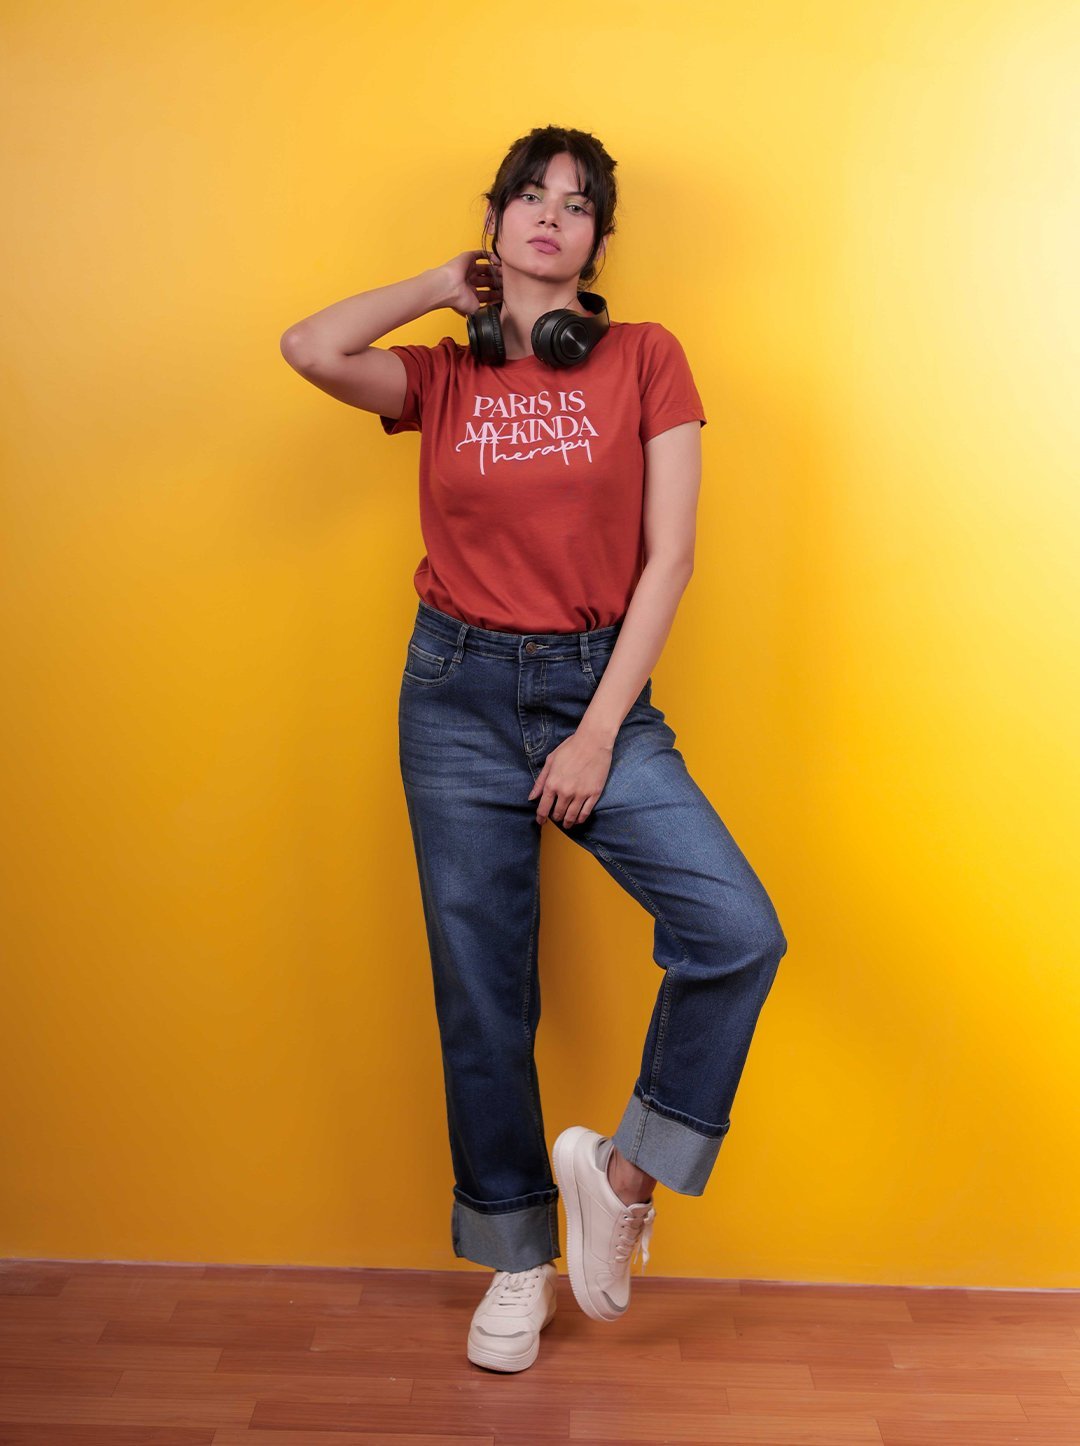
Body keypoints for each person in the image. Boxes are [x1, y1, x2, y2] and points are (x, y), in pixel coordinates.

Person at [280, 124, 788, 1374]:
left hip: (592, 686)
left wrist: (599, 733)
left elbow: (670, 558)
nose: (553, 215)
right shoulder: (441, 378)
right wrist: (440, 287)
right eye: (530, 197)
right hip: (452, 693)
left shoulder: (646, 357)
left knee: (737, 931)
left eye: (577, 204)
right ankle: (516, 1259)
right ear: (497, 221)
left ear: (599, 241)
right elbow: (310, 348)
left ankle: (620, 1180)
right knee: (481, 991)